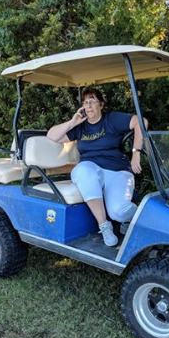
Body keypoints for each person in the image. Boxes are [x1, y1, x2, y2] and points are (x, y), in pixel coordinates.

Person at [47, 87, 144, 247]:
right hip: (90, 172)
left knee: (119, 211)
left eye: (92, 102)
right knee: (85, 170)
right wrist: (73, 122)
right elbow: (52, 136)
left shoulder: (111, 119)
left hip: (117, 172)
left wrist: (136, 152)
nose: (89, 106)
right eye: (85, 103)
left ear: (101, 104)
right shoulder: (80, 126)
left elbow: (140, 122)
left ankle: (134, 218)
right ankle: (104, 226)